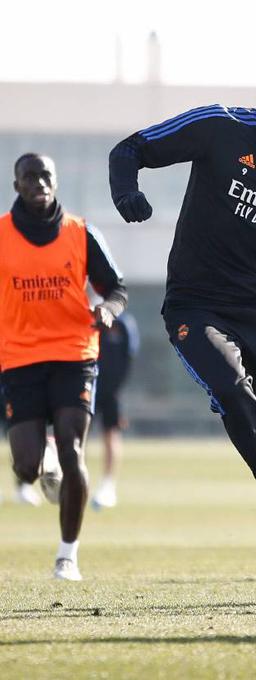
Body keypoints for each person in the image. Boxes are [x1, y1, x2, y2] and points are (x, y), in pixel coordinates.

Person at [108, 46, 256, 609]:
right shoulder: (221, 127)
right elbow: (130, 149)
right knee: (232, 388)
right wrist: (127, 192)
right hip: (197, 307)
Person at [2, 153, 127, 580]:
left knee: (74, 452)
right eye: (30, 177)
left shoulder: (81, 232)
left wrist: (108, 310)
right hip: (19, 358)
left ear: (55, 182)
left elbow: (117, 288)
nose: (39, 183)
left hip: (75, 353)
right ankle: (44, 457)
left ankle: (67, 556)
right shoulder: (2, 235)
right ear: (17, 185)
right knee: (26, 468)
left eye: (46, 176)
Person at [91, 311, 140, 509]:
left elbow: (129, 358)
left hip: (112, 392)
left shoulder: (124, 324)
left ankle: (108, 485)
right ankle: (73, 480)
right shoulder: (89, 319)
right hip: (87, 388)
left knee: (111, 434)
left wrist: (116, 389)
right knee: (77, 435)